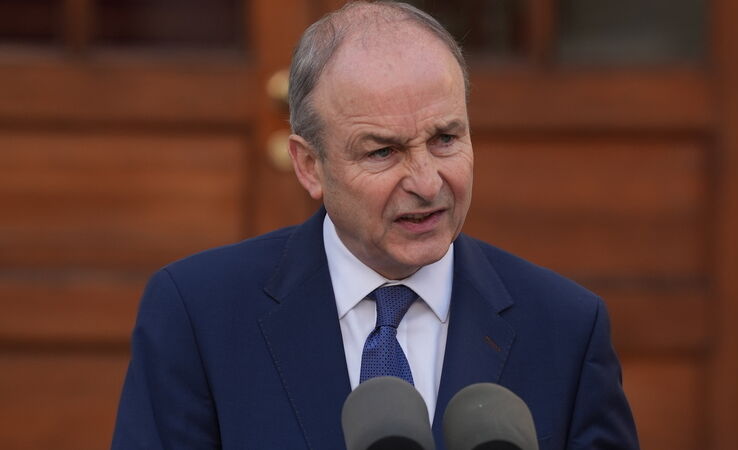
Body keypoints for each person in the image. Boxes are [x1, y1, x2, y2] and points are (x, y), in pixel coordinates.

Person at [111, 2, 639, 449]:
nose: (427, 182)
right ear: (309, 166)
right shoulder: (198, 315)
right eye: (383, 151)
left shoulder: (567, 328)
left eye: (445, 139)